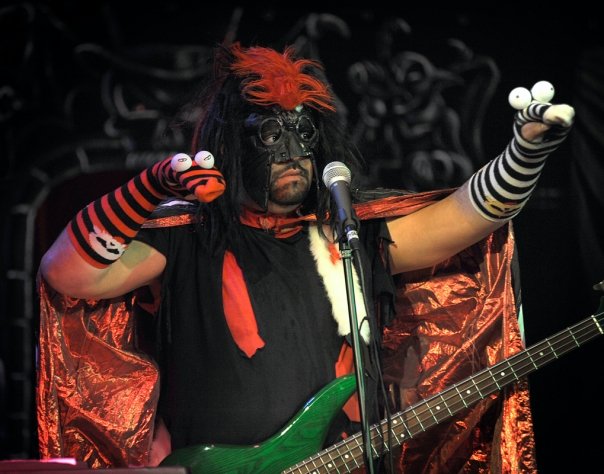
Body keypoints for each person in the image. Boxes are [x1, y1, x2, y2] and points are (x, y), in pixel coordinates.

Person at [36, 43, 574, 473]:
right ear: (232, 148)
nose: (293, 152)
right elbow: (68, 275)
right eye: (270, 134)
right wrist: (154, 184)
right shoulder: (186, 238)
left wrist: (525, 152)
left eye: (303, 133)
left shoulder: (347, 233)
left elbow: (462, 219)